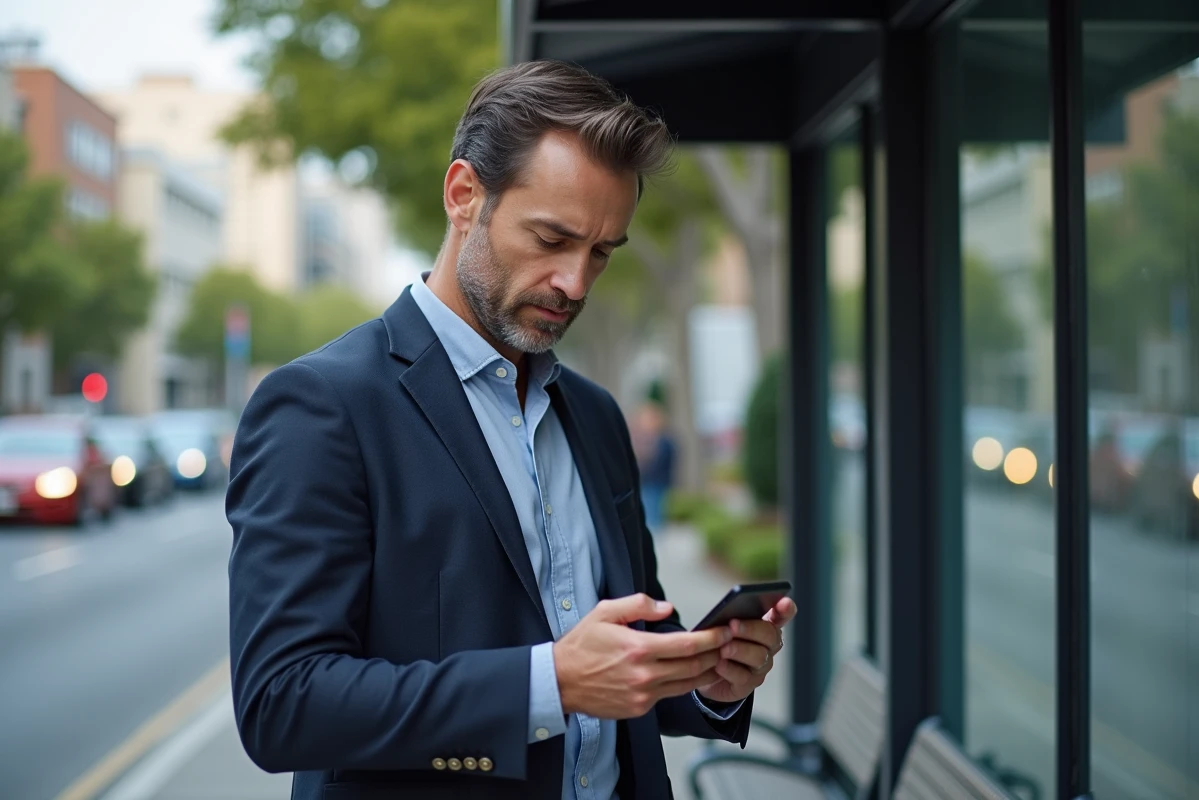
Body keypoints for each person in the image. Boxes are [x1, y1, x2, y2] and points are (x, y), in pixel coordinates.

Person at [226, 59, 795, 800]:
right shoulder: (321, 406)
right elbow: (282, 703)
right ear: (464, 196)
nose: (576, 283)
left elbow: (627, 649)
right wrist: (548, 684)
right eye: (552, 238)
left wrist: (705, 679)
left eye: (601, 252)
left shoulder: (596, 415)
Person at [632, 401, 676, 537]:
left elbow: (657, 464)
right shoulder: (653, 440)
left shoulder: (663, 441)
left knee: (653, 517)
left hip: (654, 483)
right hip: (649, 483)